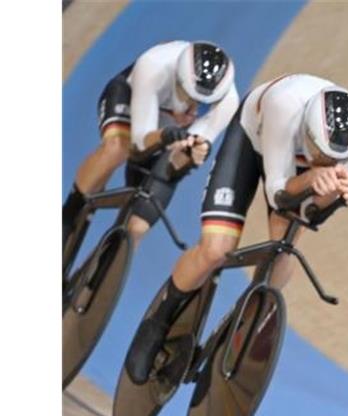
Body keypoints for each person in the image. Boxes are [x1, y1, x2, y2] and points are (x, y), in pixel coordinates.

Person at [123, 74, 348, 384]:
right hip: (254, 138)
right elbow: (278, 194)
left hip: (296, 168)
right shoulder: (286, 106)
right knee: (216, 250)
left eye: (333, 158)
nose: (323, 160)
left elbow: (309, 215)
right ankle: (157, 324)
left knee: (283, 252)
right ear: (307, 130)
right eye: (320, 152)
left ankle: (242, 326)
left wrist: (333, 199)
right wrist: (312, 178)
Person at [62, 41, 238, 258]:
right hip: (131, 99)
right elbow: (138, 145)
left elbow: (176, 166)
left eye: (203, 106)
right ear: (178, 81)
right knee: (117, 149)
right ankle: (69, 214)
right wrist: (164, 135)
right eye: (187, 98)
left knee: (137, 227)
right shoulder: (154, 66)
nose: (192, 111)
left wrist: (191, 156)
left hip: (168, 131)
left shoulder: (228, 104)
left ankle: (99, 278)